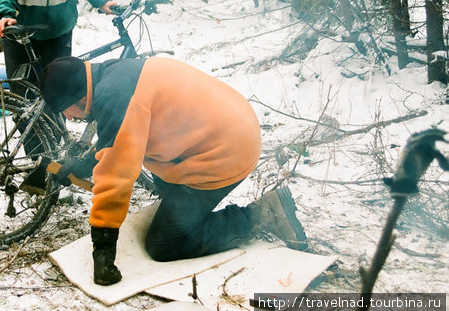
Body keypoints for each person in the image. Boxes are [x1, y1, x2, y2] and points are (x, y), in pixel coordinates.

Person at [38, 56, 308, 286]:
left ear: (80, 97)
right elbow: (119, 139)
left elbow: (116, 176)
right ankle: (188, 204)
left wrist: (104, 249)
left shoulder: (116, 97)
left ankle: (261, 213)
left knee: (164, 244)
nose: (70, 118)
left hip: (224, 153)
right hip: (228, 126)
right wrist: (83, 165)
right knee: (159, 184)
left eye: (66, 111)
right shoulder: (110, 75)